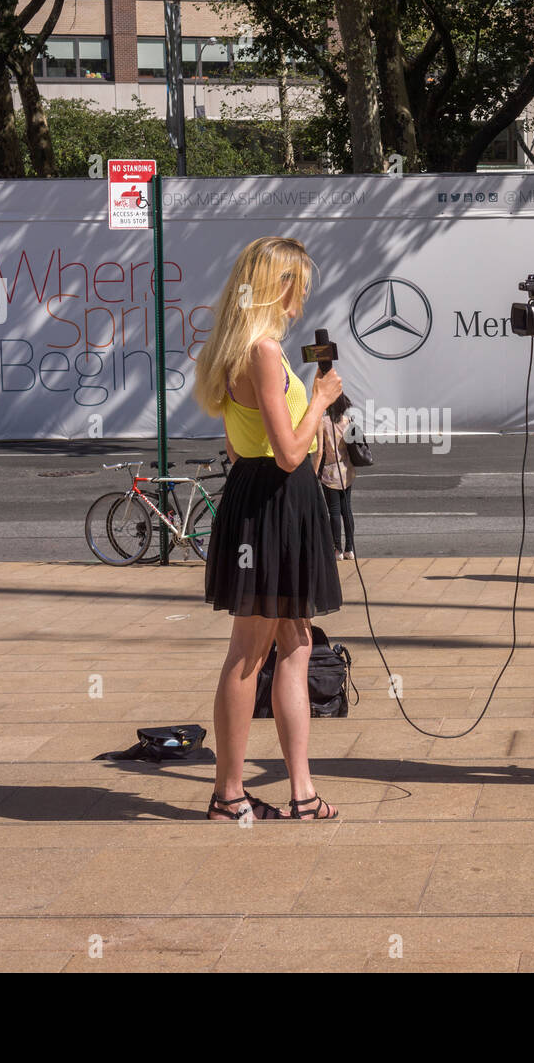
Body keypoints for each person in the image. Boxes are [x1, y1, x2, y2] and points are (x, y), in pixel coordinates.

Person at [193, 236, 345, 822]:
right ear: (278, 285)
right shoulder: (261, 350)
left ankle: (301, 791)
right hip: (277, 502)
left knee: (296, 644)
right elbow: (286, 452)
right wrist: (322, 399)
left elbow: (238, 446)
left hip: (265, 501)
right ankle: (228, 793)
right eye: (297, 285)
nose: (300, 299)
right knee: (251, 652)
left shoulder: (239, 350)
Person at [315, 392, 357, 559]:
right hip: (347, 470)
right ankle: (350, 548)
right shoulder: (348, 422)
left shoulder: (322, 422)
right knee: (347, 509)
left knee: (333, 510)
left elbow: (319, 452)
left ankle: (337, 549)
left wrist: (313, 473)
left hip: (329, 472)